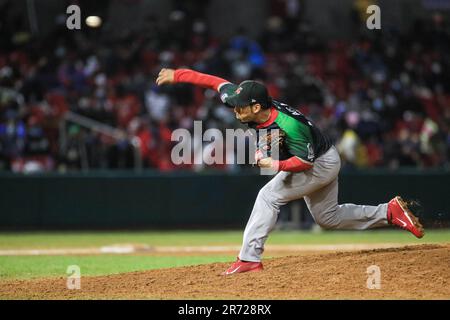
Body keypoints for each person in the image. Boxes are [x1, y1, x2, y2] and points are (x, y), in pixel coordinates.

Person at [156, 68, 424, 275]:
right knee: (327, 218)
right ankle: (389, 211)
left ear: (256, 107)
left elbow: (304, 164)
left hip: (318, 162)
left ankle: (249, 259)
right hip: (320, 154)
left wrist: (274, 164)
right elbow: (214, 82)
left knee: (268, 196)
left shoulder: (289, 126)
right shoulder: (254, 108)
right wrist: (177, 75)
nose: (234, 108)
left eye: (240, 105)